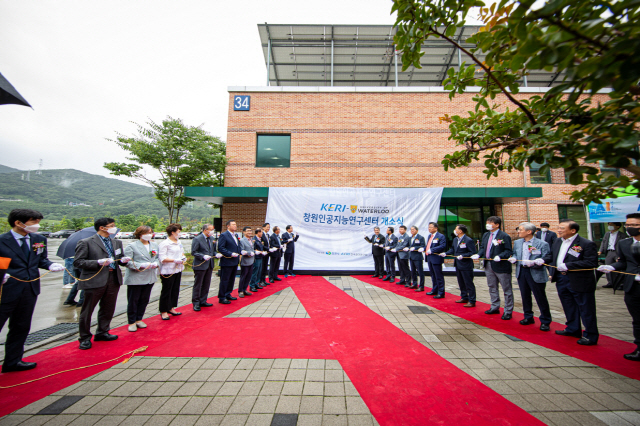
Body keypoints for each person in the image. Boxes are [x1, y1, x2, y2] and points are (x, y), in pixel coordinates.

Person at [0, 209, 63, 372]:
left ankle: (13, 361)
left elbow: (40, 259)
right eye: (33, 221)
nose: (37, 225)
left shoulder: (38, 239)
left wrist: (49, 265)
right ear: (18, 223)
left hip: (30, 288)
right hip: (6, 289)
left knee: (21, 326)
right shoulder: (2, 241)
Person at [74, 217, 132, 350]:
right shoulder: (86, 242)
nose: (114, 227)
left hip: (113, 277)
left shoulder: (116, 242)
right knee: (88, 310)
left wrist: (123, 260)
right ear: (102, 227)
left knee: (108, 307)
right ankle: (84, 337)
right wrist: (98, 262)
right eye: (111, 225)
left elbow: (119, 258)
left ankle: (102, 331)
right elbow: (78, 262)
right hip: (95, 278)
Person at [549, 219, 599, 345]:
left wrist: (568, 265)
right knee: (568, 305)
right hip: (561, 278)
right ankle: (572, 328)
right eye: (558, 227)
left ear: (573, 230)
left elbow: (591, 262)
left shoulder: (586, 243)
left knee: (586, 308)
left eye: (562, 228)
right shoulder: (557, 241)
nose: (559, 230)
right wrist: (539, 260)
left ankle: (590, 335)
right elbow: (552, 256)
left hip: (579, 280)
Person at [601, 213, 640, 360]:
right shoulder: (624, 243)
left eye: (635, 225)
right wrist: (612, 267)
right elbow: (623, 262)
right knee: (637, 319)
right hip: (632, 287)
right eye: (628, 225)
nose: (630, 228)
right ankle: (639, 348)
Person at [508, 222, 552, 331]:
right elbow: (515, 253)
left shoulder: (542, 243)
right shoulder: (518, 243)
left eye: (520, 230)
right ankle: (528, 317)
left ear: (529, 231)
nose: (518, 232)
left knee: (540, 297)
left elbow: (547, 256)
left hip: (535, 272)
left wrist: (539, 261)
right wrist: (513, 258)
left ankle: (545, 320)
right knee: (525, 296)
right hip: (522, 271)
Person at [473, 216, 514, 319]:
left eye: (490, 222)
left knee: (506, 289)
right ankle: (495, 306)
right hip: (488, 264)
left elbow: (508, 250)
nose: (488, 224)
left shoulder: (504, 236)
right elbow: (483, 247)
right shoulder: (486, 235)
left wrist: (500, 256)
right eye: (487, 222)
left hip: (501, 265)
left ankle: (508, 310)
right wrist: (479, 254)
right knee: (492, 287)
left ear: (497, 224)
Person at [123, 226, 161, 332]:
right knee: (133, 300)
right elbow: (127, 262)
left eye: (151, 232)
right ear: (140, 234)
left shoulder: (154, 245)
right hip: (136, 276)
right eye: (147, 233)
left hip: (149, 276)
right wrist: (141, 265)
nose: (150, 234)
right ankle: (131, 321)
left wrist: (156, 264)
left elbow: (157, 258)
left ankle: (139, 319)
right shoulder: (132, 246)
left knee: (144, 299)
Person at [442, 224, 477, 307]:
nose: (454, 230)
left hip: (466, 265)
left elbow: (472, 252)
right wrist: (445, 253)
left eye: (456, 229)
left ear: (460, 231)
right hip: (458, 264)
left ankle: (472, 300)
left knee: (468, 283)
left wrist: (463, 256)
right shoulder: (455, 239)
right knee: (461, 282)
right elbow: (453, 249)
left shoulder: (468, 240)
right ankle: (464, 297)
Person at [158, 223, 186, 320]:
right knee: (167, 290)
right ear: (172, 232)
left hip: (177, 269)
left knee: (175, 289)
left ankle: (171, 307)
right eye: (178, 231)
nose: (180, 233)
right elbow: (162, 257)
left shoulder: (178, 242)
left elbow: (181, 251)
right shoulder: (165, 243)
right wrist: (174, 260)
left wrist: (183, 257)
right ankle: (163, 310)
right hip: (168, 270)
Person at [191, 224, 217, 311]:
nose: (212, 231)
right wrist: (203, 256)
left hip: (209, 264)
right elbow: (194, 252)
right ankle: (196, 302)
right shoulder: (197, 239)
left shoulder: (211, 239)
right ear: (205, 230)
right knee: (198, 284)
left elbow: (212, 250)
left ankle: (203, 300)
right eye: (210, 230)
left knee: (206, 283)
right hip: (200, 264)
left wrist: (216, 254)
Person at [599, 222, 628, 289]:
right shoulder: (607, 234)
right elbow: (603, 242)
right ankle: (610, 282)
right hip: (609, 252)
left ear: (617, 226)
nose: (609, 226)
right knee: (608, 267)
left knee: (618, 268)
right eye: (609, 225)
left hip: (618, 252)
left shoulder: (622, 235)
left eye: (611, 225)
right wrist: (600, 250)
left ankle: (620, 283)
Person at [217, 220, 241, 304]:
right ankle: (222, 296)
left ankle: (228, 293)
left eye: (235, 224)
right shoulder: (224, 235)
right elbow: (221, 248)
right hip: (227, 260)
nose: (235, 226)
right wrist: (230, 253)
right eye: (233, 224)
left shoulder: (236, 235)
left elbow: (237, 246)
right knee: (225, 279)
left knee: (231, 279)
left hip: (234, 261)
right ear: (228, 226)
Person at [424, 223, 447, 298]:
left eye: (431, 227)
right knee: (433, 275)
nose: (429, 228)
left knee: (438, 276)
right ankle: (434, 289)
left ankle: (441, 292)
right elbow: (428, 245)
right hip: (430, 258)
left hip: (436, 258)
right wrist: (424, 249)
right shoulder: (430, 236)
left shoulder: (440, 236)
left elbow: (442, 246)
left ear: (436, 228)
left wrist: (432, 250)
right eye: (428, 227)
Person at [238, 226, 256, 297]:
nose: (249, 232)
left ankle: (245, 289)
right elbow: (241, 250)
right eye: (248, 231)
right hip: (245, 261)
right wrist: (249, 253)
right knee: (243, 276)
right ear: (244, 232)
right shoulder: (242, 240)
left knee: (248, 276)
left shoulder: (251, 240)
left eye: (250, 231)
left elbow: (252, 249)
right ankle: (240, 291)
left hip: (251, 260)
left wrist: (254, 252)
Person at [407, 226, 426, 290]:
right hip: (411, 257)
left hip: (418, 257)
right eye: (411, 229)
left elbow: (423, 246)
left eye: (413, 229)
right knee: (413, 272)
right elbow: (409, 245)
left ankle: (421, 286)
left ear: (417, 230)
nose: (412, 231)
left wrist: (415, 248)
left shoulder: (420, 237)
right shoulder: (410, 238)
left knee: (420, 272)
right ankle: (414, 284)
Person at [250, 227, 267, 292]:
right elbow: (253, 248)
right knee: (255, 272)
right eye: (261, 232)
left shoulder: (259, 239)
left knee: (259, 271)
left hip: (260, 256)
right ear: (258, 232)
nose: (262, 233)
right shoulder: (254, 239)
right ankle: (252, 285)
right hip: (256, 257)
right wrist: (259, 251)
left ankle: (256, 283)